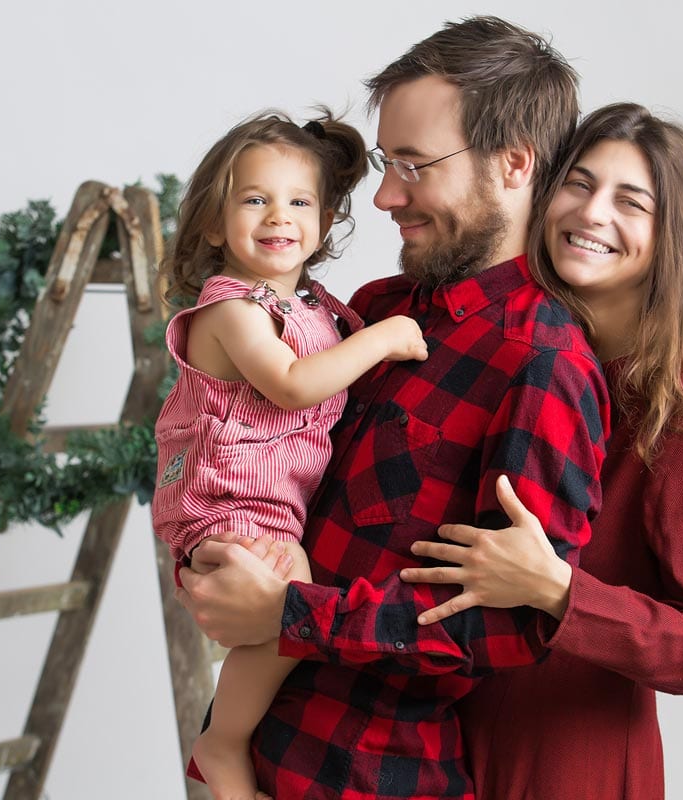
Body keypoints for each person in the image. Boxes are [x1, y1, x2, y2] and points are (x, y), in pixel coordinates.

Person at [175, 17, 610, 800]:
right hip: (254, 752)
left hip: (373, 775)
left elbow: (506, 624)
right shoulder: (374, 310)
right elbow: (260, 455)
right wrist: (217, 557)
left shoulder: (543, 364)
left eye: (414, 164)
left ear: (514, 164)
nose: (382, 196)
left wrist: (291, 614)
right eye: (384, 163)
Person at [400, 103, 683, 799]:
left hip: (568, 763)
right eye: (578, 185)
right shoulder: (520, 352)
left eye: (629, 201)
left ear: (674, 239)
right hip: (436, 738)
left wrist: (556, 589)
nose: (591, 212)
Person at [152, 109, 429, 800]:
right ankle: (222, 740)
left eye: (300, 202)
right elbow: (293, 384)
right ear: (215, 225)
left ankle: (237, 735)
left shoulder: (313, 307)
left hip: (273, 503)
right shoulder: (231, 310)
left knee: (288, 615)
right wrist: (385, 337)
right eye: (255, 200)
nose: (279, 216)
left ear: (326, 221)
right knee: (292, 601)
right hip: (227, 500)